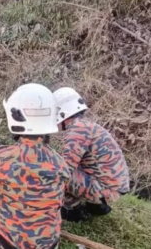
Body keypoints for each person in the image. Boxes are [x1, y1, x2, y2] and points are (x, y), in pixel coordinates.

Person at [0, 83, 70, 249]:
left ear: (15, 116)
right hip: (50, 245)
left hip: (7, 245)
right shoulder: (60, 164)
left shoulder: (3, 158)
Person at [53, 87, 130, 222]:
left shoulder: (78, 130)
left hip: (105, 190)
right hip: (111, 186)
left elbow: (64, 169)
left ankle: (71, 210)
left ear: (62, 112)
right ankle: (90, 205)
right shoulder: (86, 125)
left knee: (56, 169)